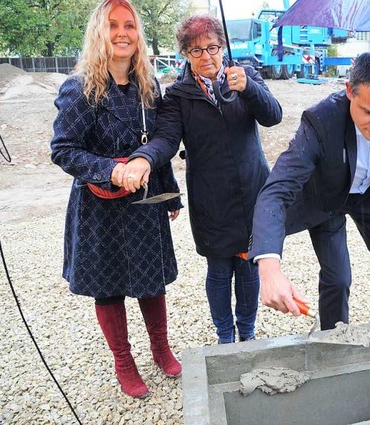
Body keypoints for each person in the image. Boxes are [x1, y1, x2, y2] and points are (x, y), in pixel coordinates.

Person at [249, 51, 370, 330]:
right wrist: (269, 268)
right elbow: (276, 191)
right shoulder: (320, 119)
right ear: (350, 91)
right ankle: (335, 340)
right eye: (367, 112)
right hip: (327, 198)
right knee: (337, 279)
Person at [121, 14, 282, 344]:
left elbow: (273, 116)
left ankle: (247, 332)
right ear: (185, 55)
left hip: (253, 188)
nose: (207, 56)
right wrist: (144, 157)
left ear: (223, 46)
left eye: (212, 47)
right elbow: (166, 139)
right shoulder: (178, 95)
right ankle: (225, 336)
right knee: (220, 268)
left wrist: (249, 88)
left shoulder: (245, 76)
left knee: (249, 263)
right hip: (210, 195)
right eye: (196, 51)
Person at [50, 0, 183, 399]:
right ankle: (123, 360)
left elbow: (157, 144)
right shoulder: (78, 88)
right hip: (99, 206)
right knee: (108, 286)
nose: (122, 32)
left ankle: (160, 348)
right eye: (112, 25)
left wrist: (170, 194)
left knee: (151, 279)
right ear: (99, 32)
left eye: (129, 25)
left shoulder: (148, 85)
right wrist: (110, 169)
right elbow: (63, 149)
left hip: (144, 202)